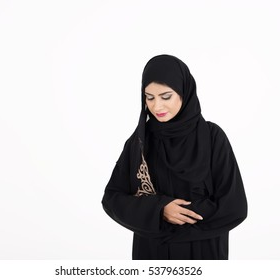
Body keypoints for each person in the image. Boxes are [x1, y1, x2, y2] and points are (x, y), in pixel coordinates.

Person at [101, 54, 248, 260]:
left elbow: (234, 207)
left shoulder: (212, 137)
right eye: (149, 97)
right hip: (153, 255)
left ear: (184, 92)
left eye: (166, 96)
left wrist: (169, 229)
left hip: (203, 253)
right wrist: (159, 210)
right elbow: (112, 199)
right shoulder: (140, 142)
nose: (157, 106)